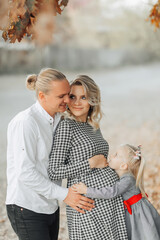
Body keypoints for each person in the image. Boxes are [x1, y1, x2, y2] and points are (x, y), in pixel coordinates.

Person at [6, 68, 105, 240]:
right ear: (42, 96)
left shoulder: (60, 118)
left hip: (51, 205)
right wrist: (65, 194)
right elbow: (25, 173)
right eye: (62, 96)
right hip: (27, 206)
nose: (68, 100)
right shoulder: (26, 123)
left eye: (68, 94)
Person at [48, 75, 128, 240]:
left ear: (92, 100)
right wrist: (90, 163)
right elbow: (54, 171)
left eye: (83, 97)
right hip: (87, 203)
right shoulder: (66, 126)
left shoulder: (93, 125)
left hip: (108, 200)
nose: (77, 102)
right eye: (73, 97)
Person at [73, 144, 160, 240]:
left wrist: (87, 190)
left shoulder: (128, 179)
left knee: (141, 234)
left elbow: (111, 192)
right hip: (132, 210)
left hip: (137, 212)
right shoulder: (123, 175)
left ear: (123, 166)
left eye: (116, 155)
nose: (111, 156)